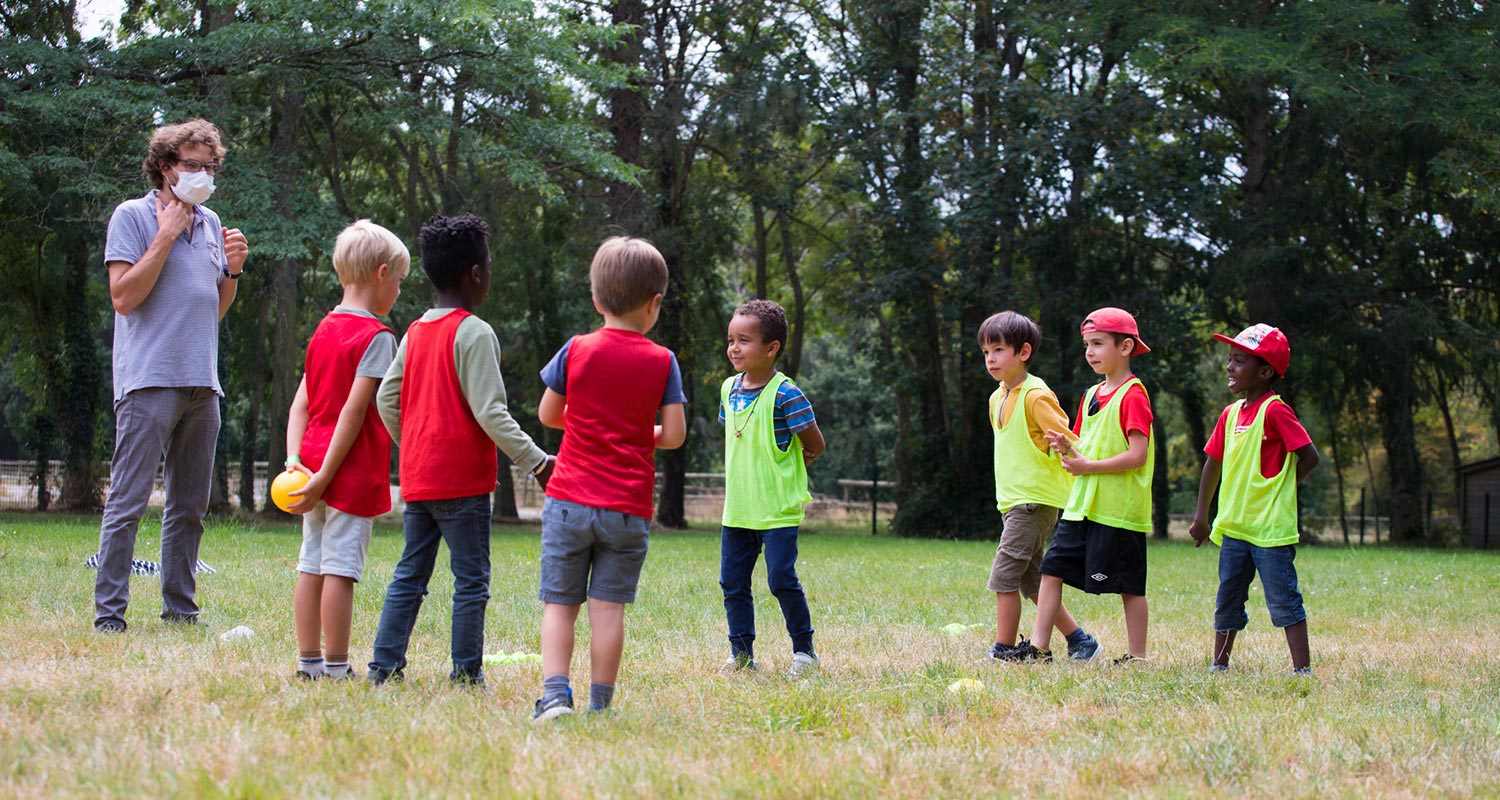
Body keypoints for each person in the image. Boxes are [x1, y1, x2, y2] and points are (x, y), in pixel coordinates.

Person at [367, 213, 553, 687]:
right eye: (488, 264)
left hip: (420, 479)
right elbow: (491, 412)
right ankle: (466, 675)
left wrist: (415, 446)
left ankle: (383, 668)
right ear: (475, 273)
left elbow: (387, 398)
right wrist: (537, 461)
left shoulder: (415, 331)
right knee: (470, 580)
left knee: (410, 574)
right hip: (463, 483)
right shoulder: (475, 332)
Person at [94, 118, 249, 632]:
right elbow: (123, 297)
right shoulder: (132, 216)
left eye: (211, 166)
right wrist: (163, 237)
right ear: (164, 166)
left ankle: (180, 611)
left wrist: (232, 272)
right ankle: (109, 615)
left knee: (189, 508)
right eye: (193, 165)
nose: (204, 174)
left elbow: (212, 310)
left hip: (203, 384)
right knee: (129, 501)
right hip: (148, 381)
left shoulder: (211, 222)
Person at [531, 236, 687, 720]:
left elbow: (548, 414)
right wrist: (637, 431)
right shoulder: (663, 361)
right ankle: (600, 706)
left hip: (569, 501)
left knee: (560, 606)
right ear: (654, 304)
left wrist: (590, 422)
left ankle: (555, 696)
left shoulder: (576, 349)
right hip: (626, 509)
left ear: (596, 299)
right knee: (608, 610)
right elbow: (674, 435)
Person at [282, 220, 409, 680]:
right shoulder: (378, 337)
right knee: (340, 569)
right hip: (347, 474)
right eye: (399, 280)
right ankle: (336, 666)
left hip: (309, 467)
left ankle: (308, 663)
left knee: (310, 563)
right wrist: (326, 477)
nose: (398, 290)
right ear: (381, 273)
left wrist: (295, 463)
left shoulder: (324, 329)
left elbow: (300, 405)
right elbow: (353, 414)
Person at [1010, 307, 1155, 664]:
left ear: (1125, 347)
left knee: (1129, 586)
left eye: (1098, 343)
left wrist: (1088, 465)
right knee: (1051, 570)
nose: (1090, 352)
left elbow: (1138, 455)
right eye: (1087, 345)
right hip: (1081, 508)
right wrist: (1067, 447)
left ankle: (1137, 657)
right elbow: (1083, 446)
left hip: (1118, 512)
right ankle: (1039, 648)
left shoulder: (1134, 395)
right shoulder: (1091, 393)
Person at [1188, 324, 1320, 674]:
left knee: (1284, 600)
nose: (1229, 367)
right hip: (1235, 528)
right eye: (1230, 359)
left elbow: (1310, 457)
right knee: (1228, 598)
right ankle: (1219, 664)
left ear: (1264, 372)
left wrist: (1284, 486)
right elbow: (1212, 464)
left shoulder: (1275, 411)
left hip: (1270, 532)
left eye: (1239, 361)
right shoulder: (1230, 414)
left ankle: (1302, 671)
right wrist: (1201, 517)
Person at [976, 311, 1099, 662]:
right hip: (1013, 503)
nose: (991, 359)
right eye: (986, 352)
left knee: (1003, 577)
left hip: (1034, 504)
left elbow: (1070, 441)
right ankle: (1080, 641)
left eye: (999, 350)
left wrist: (1073, 455)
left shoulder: (1036, 396)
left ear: (1024, 352)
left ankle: (1003, 649)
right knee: (1031, 583)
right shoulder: (997, 397)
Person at [717, 299, 827, 676]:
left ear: (771, 347)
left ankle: (804, 653)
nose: (734, 348)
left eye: (744, 341)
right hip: (738, 510)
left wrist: (794, 465)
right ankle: (742, 655)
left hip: (778, 509)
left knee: (781, 578)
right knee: (733, 583)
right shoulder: (728, 390)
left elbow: (815, 444)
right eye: (731, 340)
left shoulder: (786, 394)